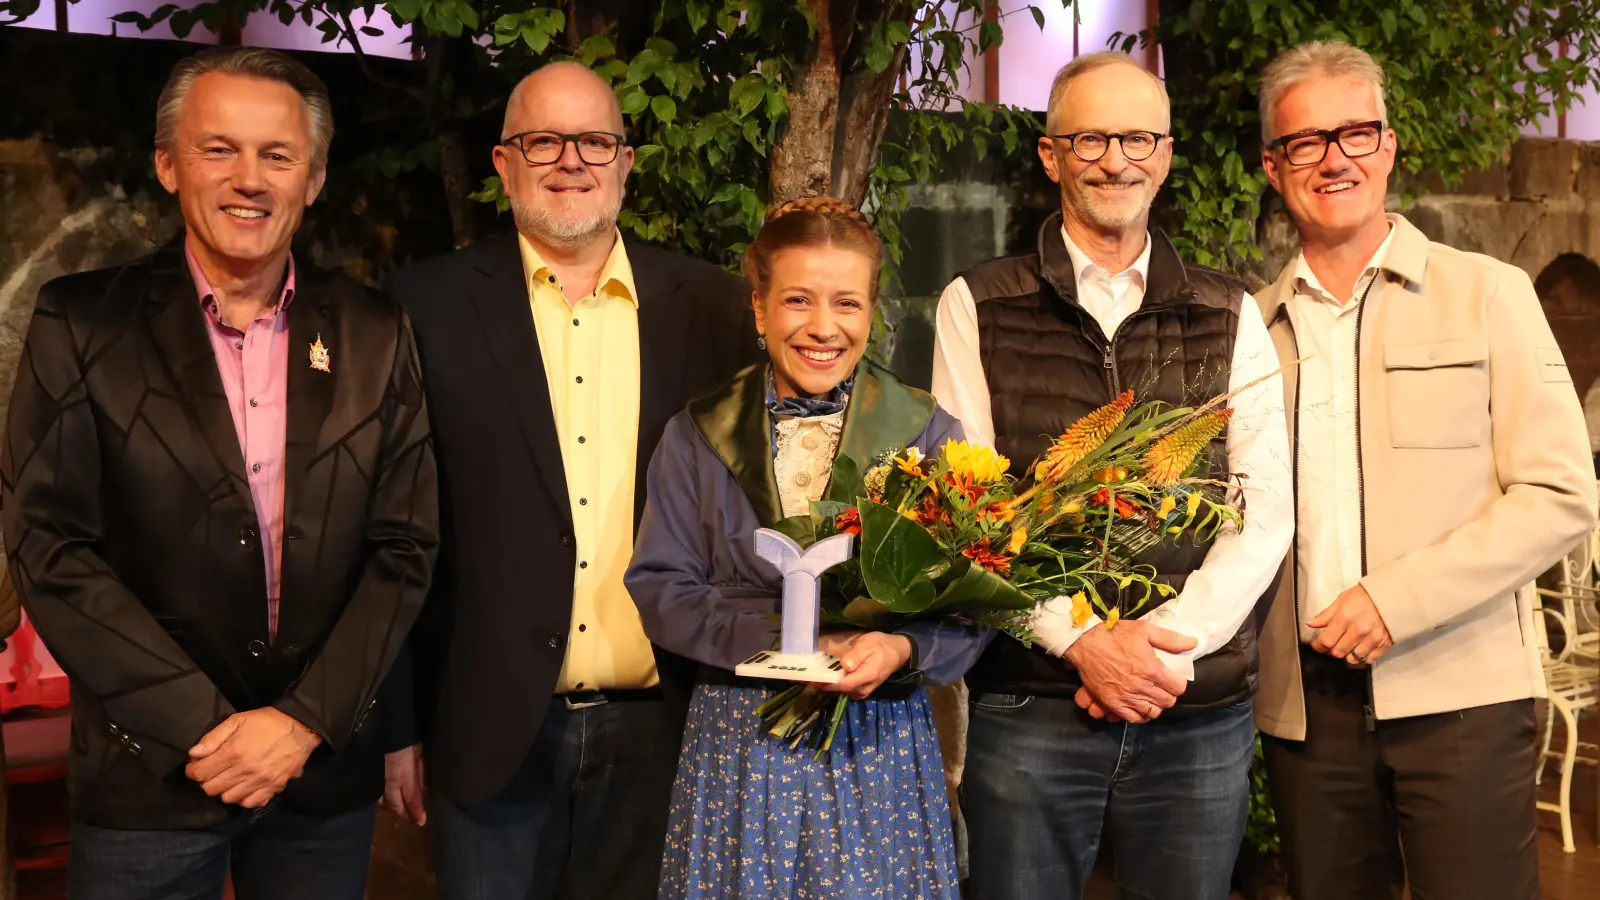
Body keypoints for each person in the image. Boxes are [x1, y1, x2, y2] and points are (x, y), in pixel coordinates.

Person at [1, 47, 437, 900]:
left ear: (311, 179)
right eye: (219, 149)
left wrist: (302, 723)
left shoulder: (376, 331)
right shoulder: (80, 324)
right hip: (148, 777)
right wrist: (207, 730)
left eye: (277, 155)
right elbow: (50, 547)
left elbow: (407, 545)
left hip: (318, 780)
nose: (250, 179)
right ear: (168, 164)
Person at [382, 61, 758, 899]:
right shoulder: (425, 306)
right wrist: (396, 726)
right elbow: (397, 533)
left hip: (668, 726)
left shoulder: (713, 306)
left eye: (594, 140)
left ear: (626, 161)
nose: (570, 160)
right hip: (488, 732)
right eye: (543, 140)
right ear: (503, 163)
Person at [931, 51, 1294, 899]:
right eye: (1089, 138)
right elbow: (965, 509)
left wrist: (1164, 652)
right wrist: (1082, 643)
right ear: (1051, 155)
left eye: (1137, 137)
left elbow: (1265, 507)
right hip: (1032, 704)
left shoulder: (1228, 309)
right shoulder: (978, 303)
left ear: (1165, 155)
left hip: (1193, 708)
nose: (1115, 159)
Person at [1252, 40, 1597, 900]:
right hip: (1306, 713)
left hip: (1464, 697)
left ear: (1390, 146)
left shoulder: (1488, 294)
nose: (1335, 160)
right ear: (1272, 165)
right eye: (1306, 143)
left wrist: (1394, 602)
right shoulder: (1248, 330)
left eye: (1357, 134)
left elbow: (1560, 494)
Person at [627, 196, 989, 898]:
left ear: (872, 311)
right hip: (742, 741)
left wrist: (902, 648)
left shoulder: (927, 435)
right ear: (759, 310)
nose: (824, 328)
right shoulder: (697, 435)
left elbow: (971, 599)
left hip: (878, 741)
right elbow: (662, 587)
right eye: (797, 300)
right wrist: (789, 640)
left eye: (847, 304)